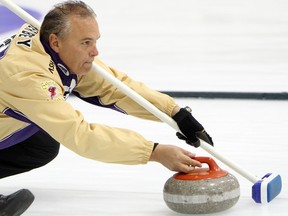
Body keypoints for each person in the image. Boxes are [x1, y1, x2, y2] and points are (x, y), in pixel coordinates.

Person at [0, 1, 213, 215]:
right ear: (56, 42)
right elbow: (81, 135)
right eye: (85, 43)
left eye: (94, 41)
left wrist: (174, 113)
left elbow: (113, 87)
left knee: (42, 145)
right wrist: (153, 152)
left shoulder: (51, 44)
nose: (95, 52)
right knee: (51, 134)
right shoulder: (28, 77)